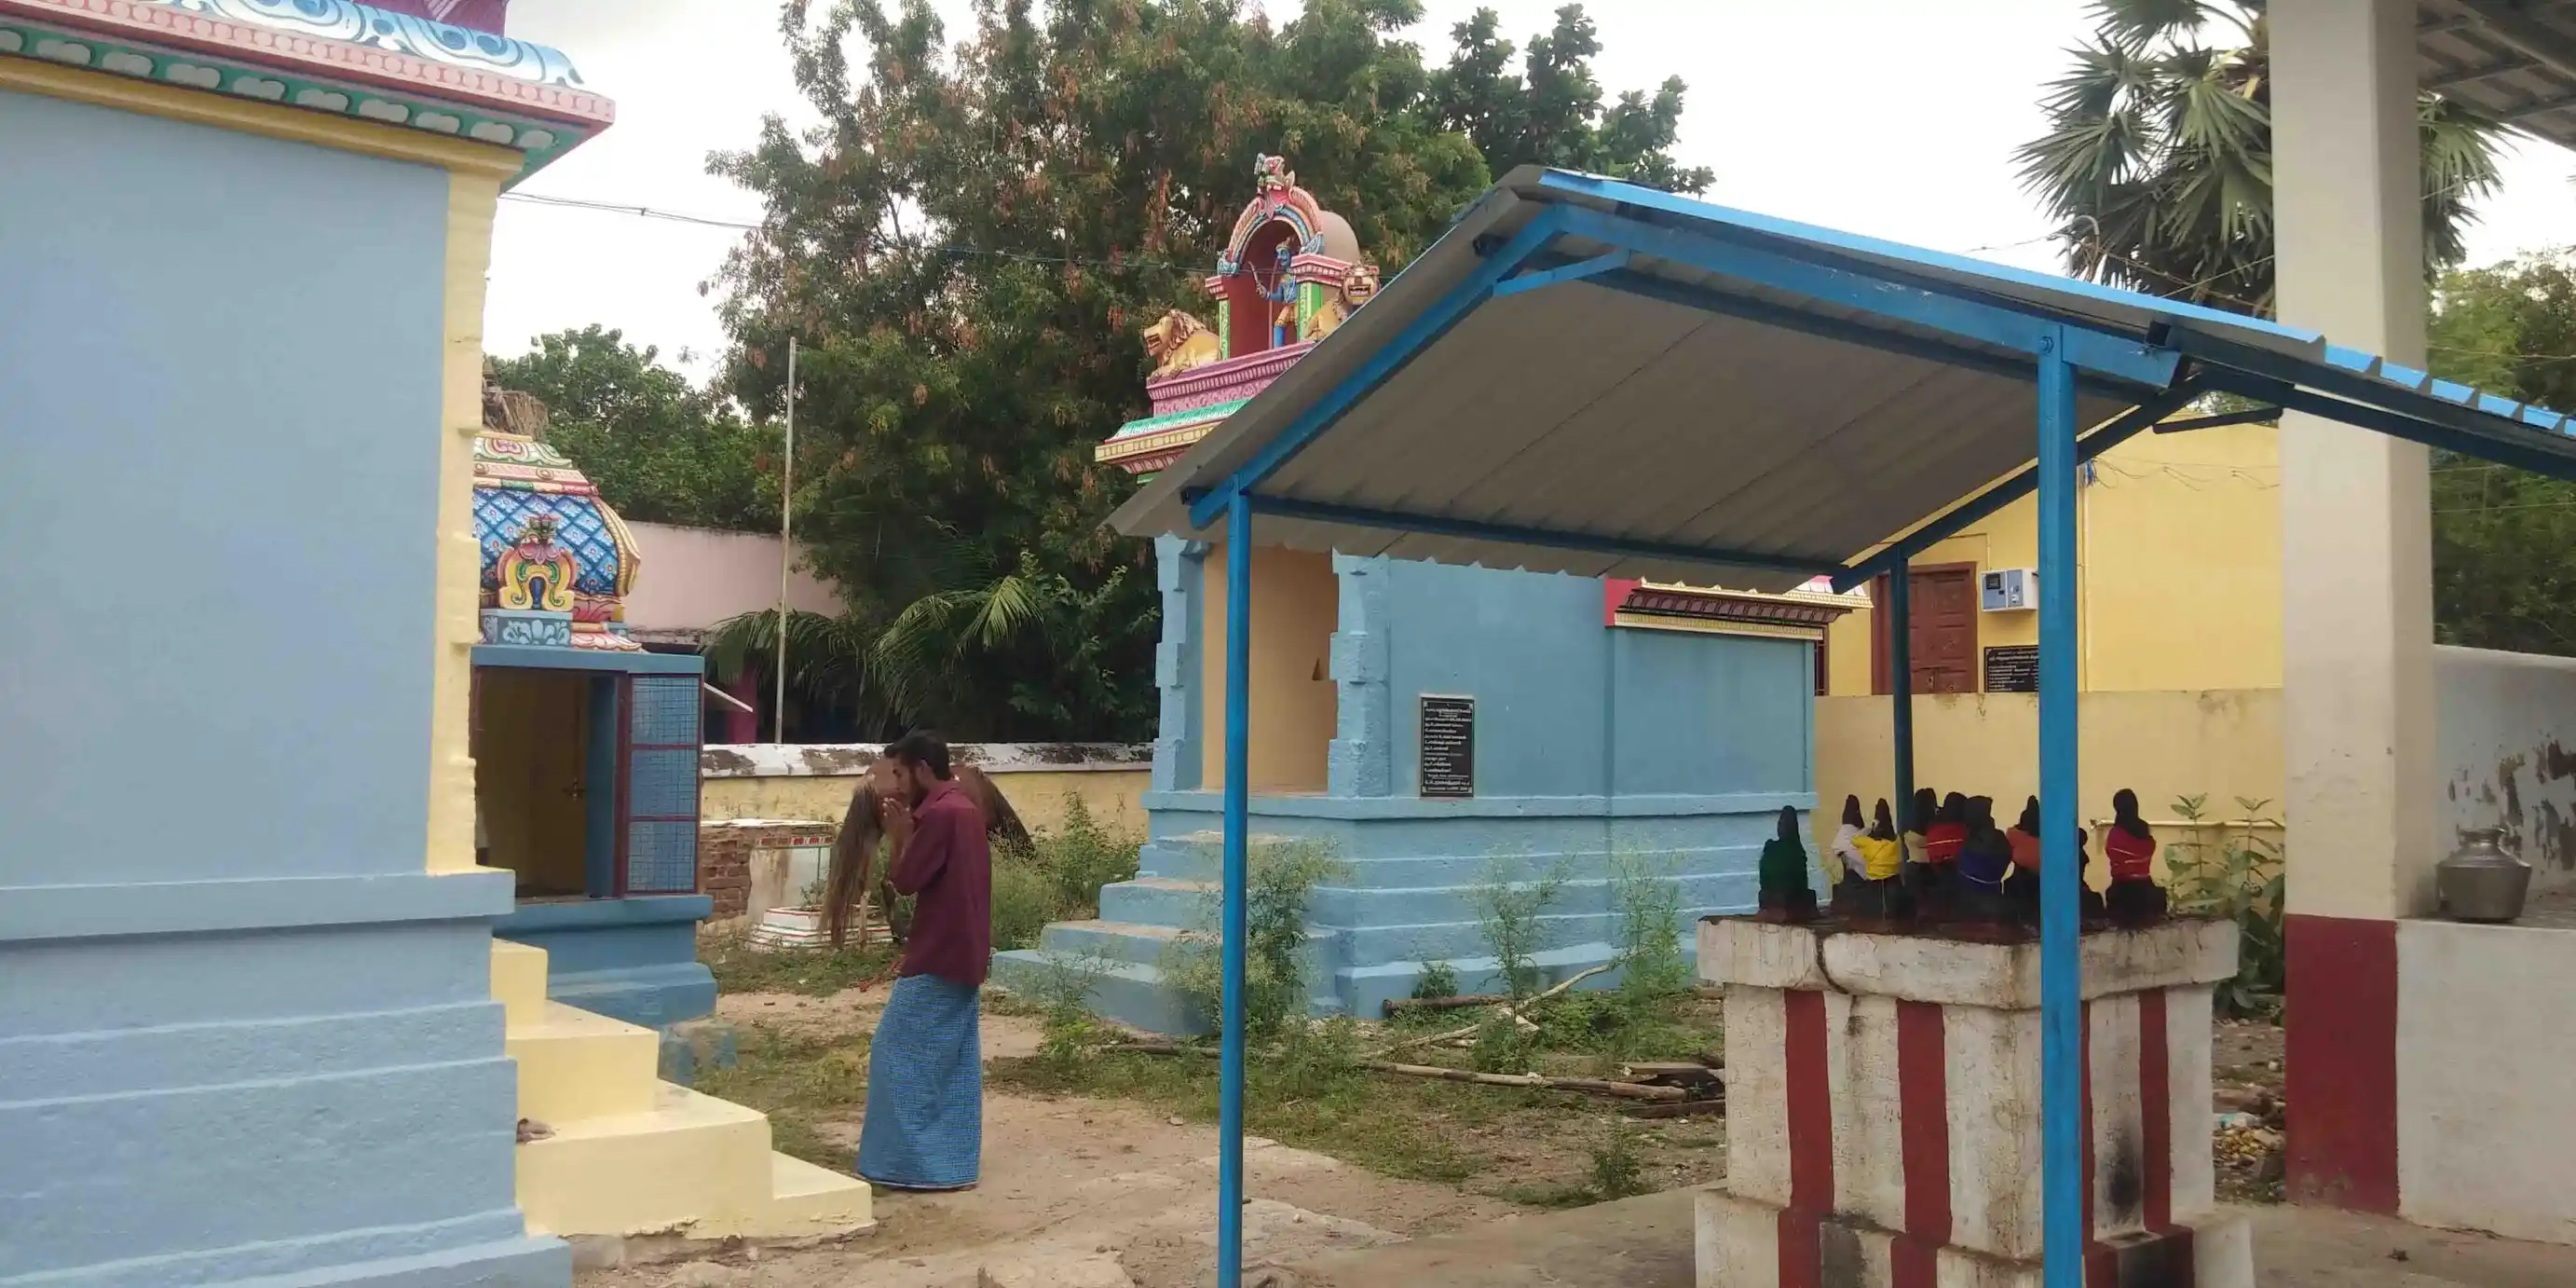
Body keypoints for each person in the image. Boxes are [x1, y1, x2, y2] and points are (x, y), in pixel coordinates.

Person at [854, 731, 991, 1193]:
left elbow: (907, 880)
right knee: (953, 1061)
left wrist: (900, 837)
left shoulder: (940, 815)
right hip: (965, 952)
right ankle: (951, 1164)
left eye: (900, 773)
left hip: (938, 954)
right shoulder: (964, 809)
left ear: (922, 770)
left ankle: (907, 1165)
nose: (895, 785)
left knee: (895, 1051)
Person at [2104, 788, 2168, 925]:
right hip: (2147, 893)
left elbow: (2114, 856)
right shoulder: (2144, 830)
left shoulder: (2115, 834)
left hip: (2122, 894)